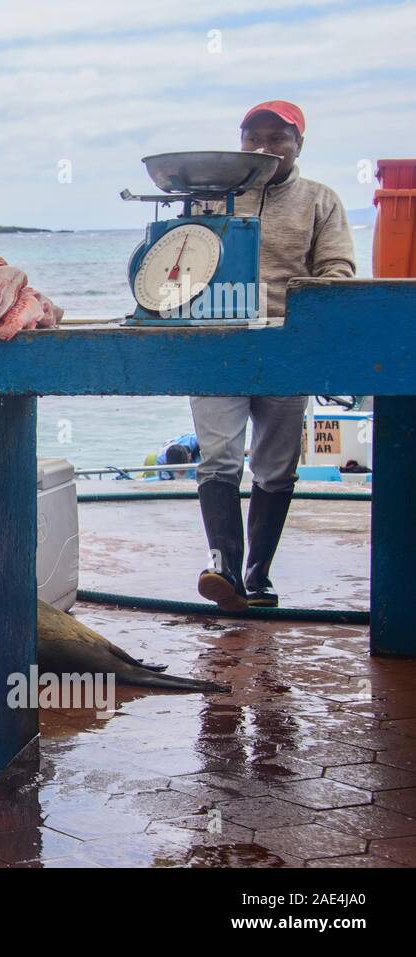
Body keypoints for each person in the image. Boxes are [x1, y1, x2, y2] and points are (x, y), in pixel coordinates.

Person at [192, 100, 355, 610]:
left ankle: (258, 574)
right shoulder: (209, 200)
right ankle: (224, 570)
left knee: (276, 466)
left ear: (298, 145)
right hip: (217, 345)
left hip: (288, 348)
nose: (262, 147)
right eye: (252, 137)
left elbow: (339, 270)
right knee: (218, 458)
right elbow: (177, 265)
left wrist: (307, 325)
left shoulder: (320, 200)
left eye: (276, 137)